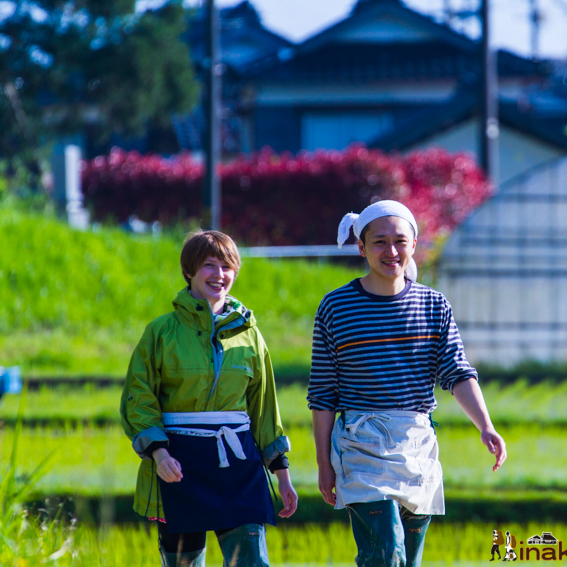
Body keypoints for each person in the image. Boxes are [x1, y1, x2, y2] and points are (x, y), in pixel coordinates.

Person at [308, 200, 507, 567]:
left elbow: (457, 372)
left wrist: (486, 426)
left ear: (414, 245)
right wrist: (323, 462)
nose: (391, 251)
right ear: (361, 247)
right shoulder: (336, 308)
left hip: (417, 444)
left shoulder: (433, 305)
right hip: (361, 445)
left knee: (407, 561)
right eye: (380, 242)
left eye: (400, 241)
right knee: (387, 554)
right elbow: (323, 393)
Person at [121, 230, 298, 567]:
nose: (219, 275)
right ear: (189, 271)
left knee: (252, 561)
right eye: (209, 265)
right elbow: (138, 399)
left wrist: (282, 474)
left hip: (238, 463)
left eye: (227, 266)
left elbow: (264, 408)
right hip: (178, 464)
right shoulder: (160, 332)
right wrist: (159, 455)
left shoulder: (250, 335)